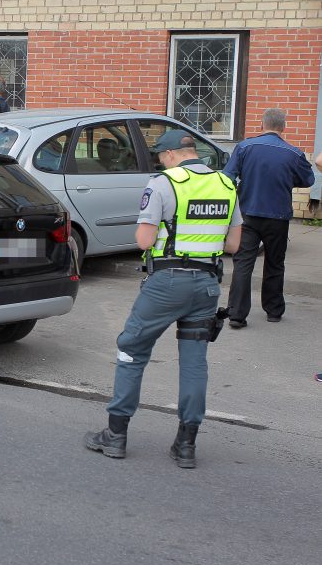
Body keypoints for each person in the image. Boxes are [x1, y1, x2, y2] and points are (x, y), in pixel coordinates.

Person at [84, 130, 242, 469]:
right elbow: (232, 246)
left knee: (131, 349)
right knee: (195, 361)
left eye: (160, 154)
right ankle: (186, 445)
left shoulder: (164, 184)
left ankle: (115, 435)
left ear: (172, 154)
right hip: (207, 286)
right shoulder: (227, 186)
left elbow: (144, 241)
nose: (159, 159)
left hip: (167, 283)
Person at [223, 108, 315, 328]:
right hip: (278, 216)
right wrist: (287, 181)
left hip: (248, 213)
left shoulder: (244, 147)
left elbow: (228, 176)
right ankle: (273, 310)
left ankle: (236, 314)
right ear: (283, 127)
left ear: (261, 125)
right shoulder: (294, 153)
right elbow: (308, 179)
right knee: (275, 262)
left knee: (243, 263)